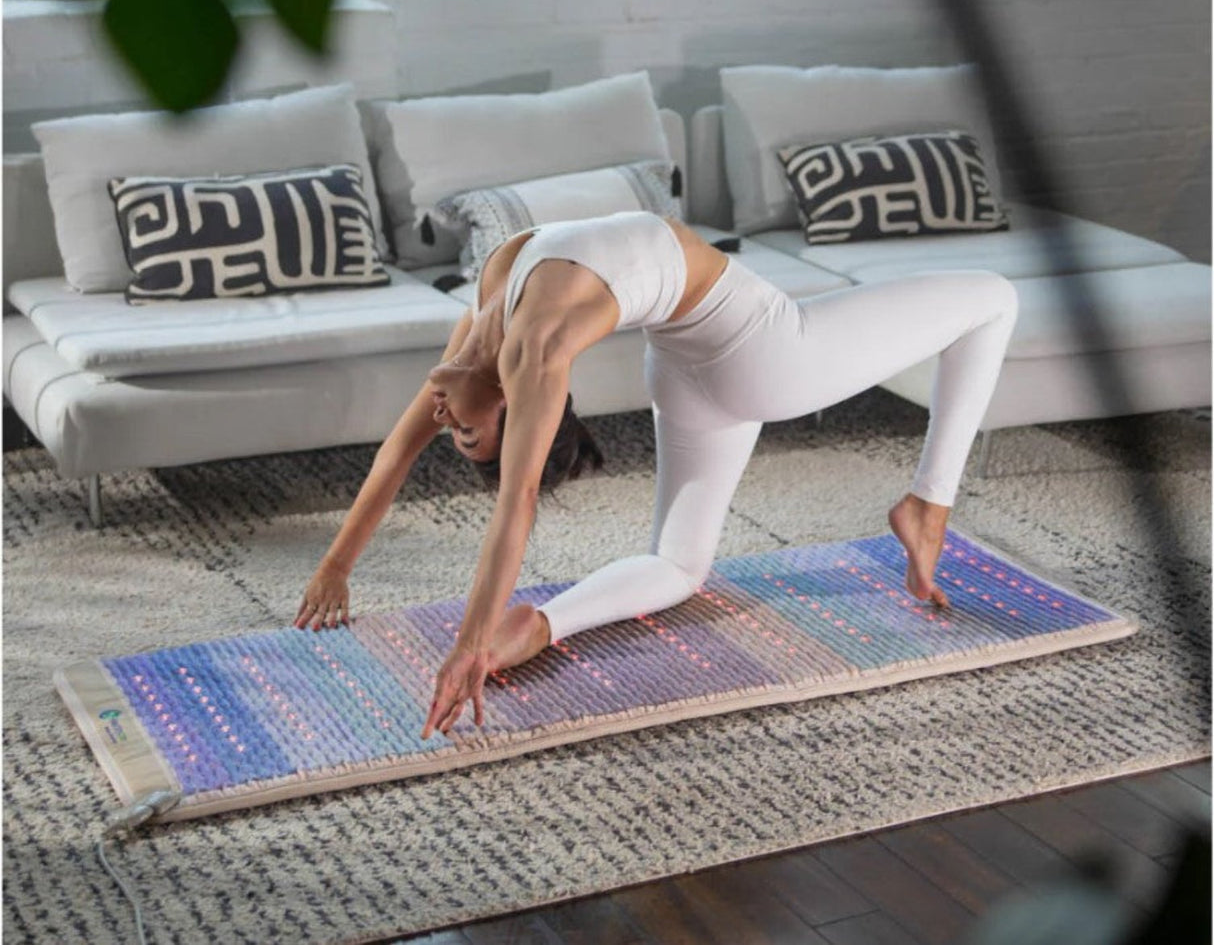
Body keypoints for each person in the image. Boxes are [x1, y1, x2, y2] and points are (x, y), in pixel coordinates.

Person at [295, 210, 1018, 741]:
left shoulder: (505, 315)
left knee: (995, 299)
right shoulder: (515, 338)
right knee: (992, 297)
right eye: (467, 434)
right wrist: (417, 612)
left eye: (460, 434)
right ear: (509, 400)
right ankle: (543, 625)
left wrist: (392, 598)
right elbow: (466, 480)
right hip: (740, 357)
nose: (447, 420)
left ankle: (930, 503)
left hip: (712, 363)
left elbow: (452, 473)